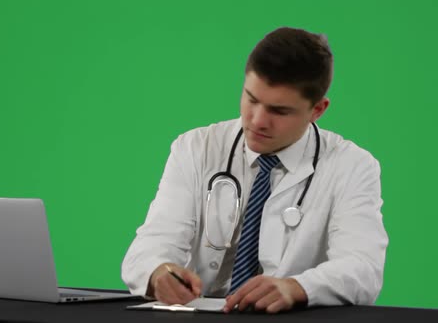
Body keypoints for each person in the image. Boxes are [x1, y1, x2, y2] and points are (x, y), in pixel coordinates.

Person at [121, 27, 389, 314]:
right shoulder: (196, 148)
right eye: (251, 99)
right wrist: (158, 273)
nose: (258, 121)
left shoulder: (353, 166)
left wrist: (298, 287)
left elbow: (363, 269)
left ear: (317, 110)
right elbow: (149, 247)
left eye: (279, 111)